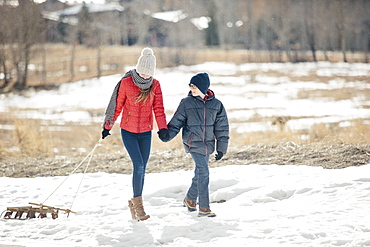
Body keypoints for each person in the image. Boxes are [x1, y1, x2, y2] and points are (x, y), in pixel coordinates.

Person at [101, 47, 169, 221]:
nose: (145, 77)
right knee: (138, 165)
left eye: (149, 74)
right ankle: (139, 208)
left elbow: (159, 109)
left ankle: (133, 204)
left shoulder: (155, 85)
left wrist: (162, 129)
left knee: (142, 168)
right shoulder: (126, 83)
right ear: (138, 69)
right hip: (128, 132)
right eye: (143, 73)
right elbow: (117, 106)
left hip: (146, 132)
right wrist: (107, 126)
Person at [158, 72, 229, 217]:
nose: (191, 89)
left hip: (208, 145)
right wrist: (166, 135)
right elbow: (176, 122)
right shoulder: (186, 103)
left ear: (203, 87)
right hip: (193, 143)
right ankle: (204, 208)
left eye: (194, 86)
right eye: (190, 86)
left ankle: (190, 199)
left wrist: (221, 149)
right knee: (203, 172)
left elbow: (222, 128)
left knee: (199, 173)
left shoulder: (216, 105)